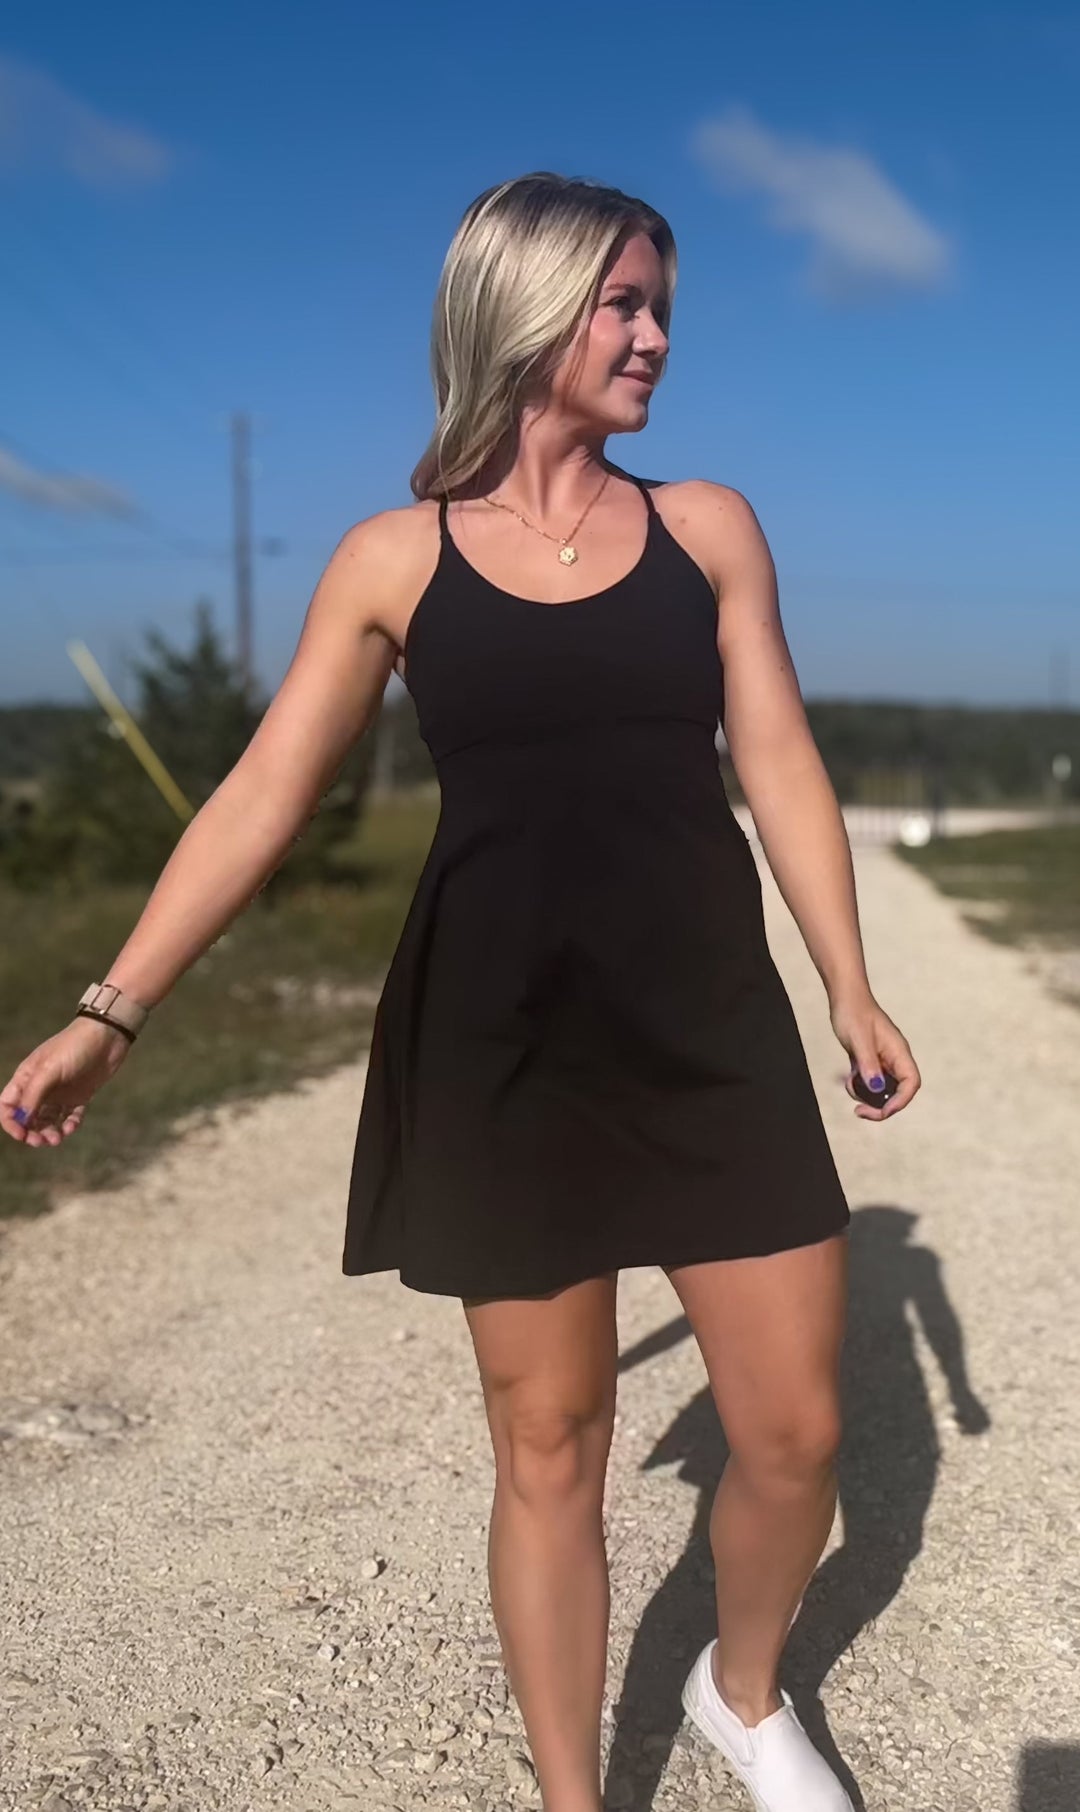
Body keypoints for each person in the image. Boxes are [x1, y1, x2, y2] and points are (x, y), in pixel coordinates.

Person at [0, 172, 921, 1812]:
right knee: (548, 1448)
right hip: (500, 1043)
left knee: (791, 1431)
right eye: (623, 305)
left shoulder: (706, 526)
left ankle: (742, 1687)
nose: (653, 338)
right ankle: (573, 1800)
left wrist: (848, 981)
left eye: (661, 309)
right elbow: (266, 793)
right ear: (523, 313)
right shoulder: (391, 559)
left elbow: (774, 754)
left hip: (706, 1023)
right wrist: (110, 1007)